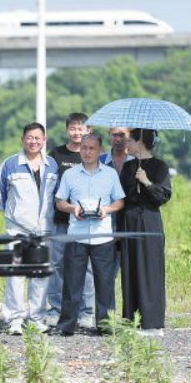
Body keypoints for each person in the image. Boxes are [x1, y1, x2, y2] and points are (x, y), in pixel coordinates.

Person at [50, 134, 125, 336]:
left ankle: (105, 326)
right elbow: (59, 202)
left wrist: (106, 210)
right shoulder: (70, 174)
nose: (87, 152)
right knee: (72, 284)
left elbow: (120, 201)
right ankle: (66, 326)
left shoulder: (110, 174)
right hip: (77, 236)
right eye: (84, 148)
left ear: (100, 150)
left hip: (103, 237)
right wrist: (73, 209)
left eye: (92, 148)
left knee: (105, 284)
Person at [0, 123, 59, 335]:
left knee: (40, 274)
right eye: (29, 137)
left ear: (44, 140)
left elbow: (55, 196)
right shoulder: (10, 164)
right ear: (23, 139)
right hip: (17, 229)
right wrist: (14, 216)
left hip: (44, 228)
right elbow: (1, 196)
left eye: (37, 138)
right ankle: (15, 319)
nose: (33, 141)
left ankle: (36, 318)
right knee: (15, 274)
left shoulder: (51, 164)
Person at [119, 128, 172, 335]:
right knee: (130, 268)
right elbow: (121, 197)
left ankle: (153, 324)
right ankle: (131, 321)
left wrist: (147, 182)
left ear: (139, 142)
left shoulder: (160, 166)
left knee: (150, 269)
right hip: (129, 221)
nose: (126, 145)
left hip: (149, 221)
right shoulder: (128, 166)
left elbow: (163, 197)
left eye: (129, 141)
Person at [47, 113, 96, 328]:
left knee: (86, 266)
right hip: (60, 219)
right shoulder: (56, 154)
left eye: (81, 128)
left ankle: (86, 312)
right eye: (73, 128)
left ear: (88, 131)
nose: (77, 132)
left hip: (85, 220)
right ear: (67, 130)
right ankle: (56, 308)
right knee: (56, 264)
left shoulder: (92, 154)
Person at [99, 126, 134, 311]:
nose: (118, 139)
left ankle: (132, 316)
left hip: (131, 224)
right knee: (106, 275)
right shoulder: (100, 161)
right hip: (106, 224)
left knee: (133, 274)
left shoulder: (137, 162)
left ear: (129, 137)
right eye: (114, 135)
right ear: (109, 136)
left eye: (122, 135)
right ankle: (107, 318)